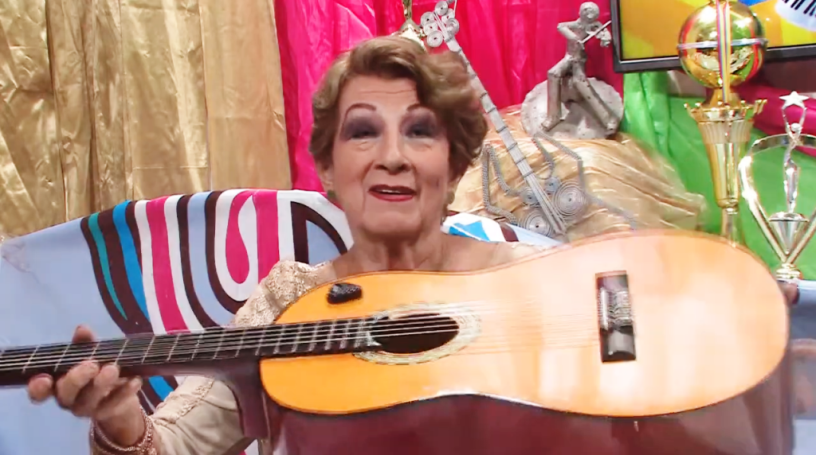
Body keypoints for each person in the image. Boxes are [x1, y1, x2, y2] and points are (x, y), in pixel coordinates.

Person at [25, 35, 809, 455]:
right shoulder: (287, 301)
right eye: (363, 132)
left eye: (421, 132)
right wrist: (121, 420)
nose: (393, 157)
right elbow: (170, 449)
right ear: (328, 169)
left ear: (454, 165)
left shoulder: (531, 274)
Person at [541, 1, 619, 135]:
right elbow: (561, 26)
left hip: (578, 60)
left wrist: (605, 39)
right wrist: (573, 37)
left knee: (580, 83)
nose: (589, 15)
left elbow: (605, 35)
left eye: (592, 13)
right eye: (586, 12)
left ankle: (608, 119)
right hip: (568, 58)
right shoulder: (576, 24)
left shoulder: (595, 26)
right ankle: (553, 116)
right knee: (553, 73)